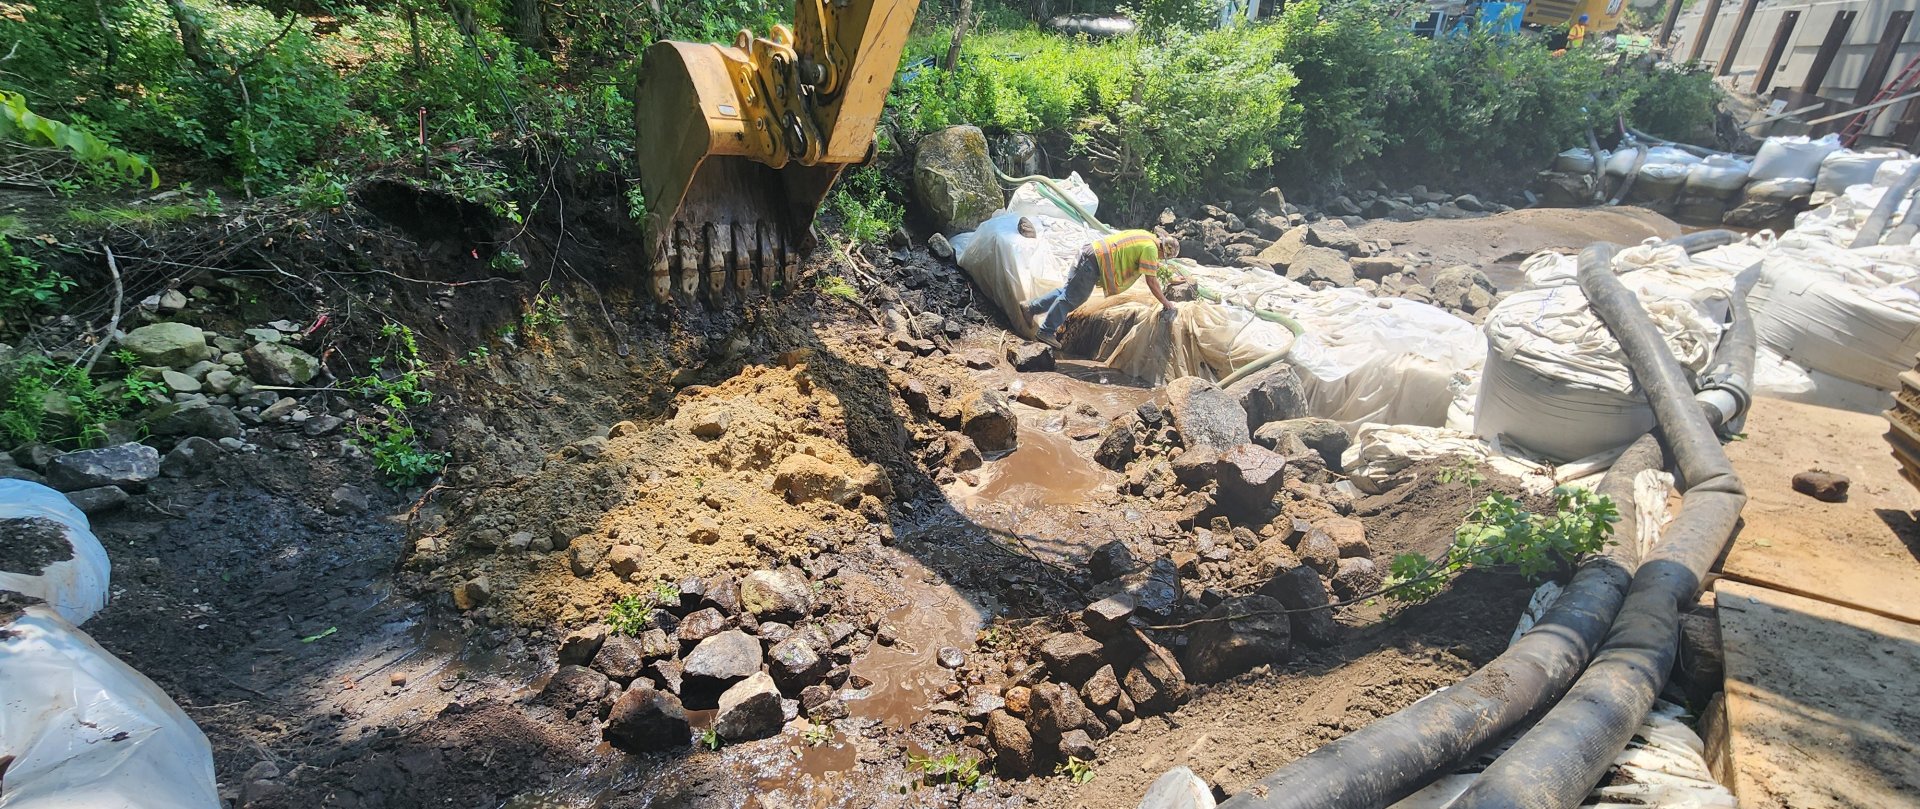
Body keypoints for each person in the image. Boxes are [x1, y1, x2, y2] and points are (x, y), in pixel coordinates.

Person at [1021, 228, 1184, 349]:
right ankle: (1046, 331)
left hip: (1090, 252)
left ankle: (1031, 308)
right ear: (1163, 251)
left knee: (1068, 291)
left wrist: (1171, 278)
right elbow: (1151, 281)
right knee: (1074, 298)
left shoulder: (1148, 238)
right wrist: (1166, 302)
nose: (1161, 259)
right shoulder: (1150, 249)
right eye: (1164, 257)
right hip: (1093, 262)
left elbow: (1153, 266)